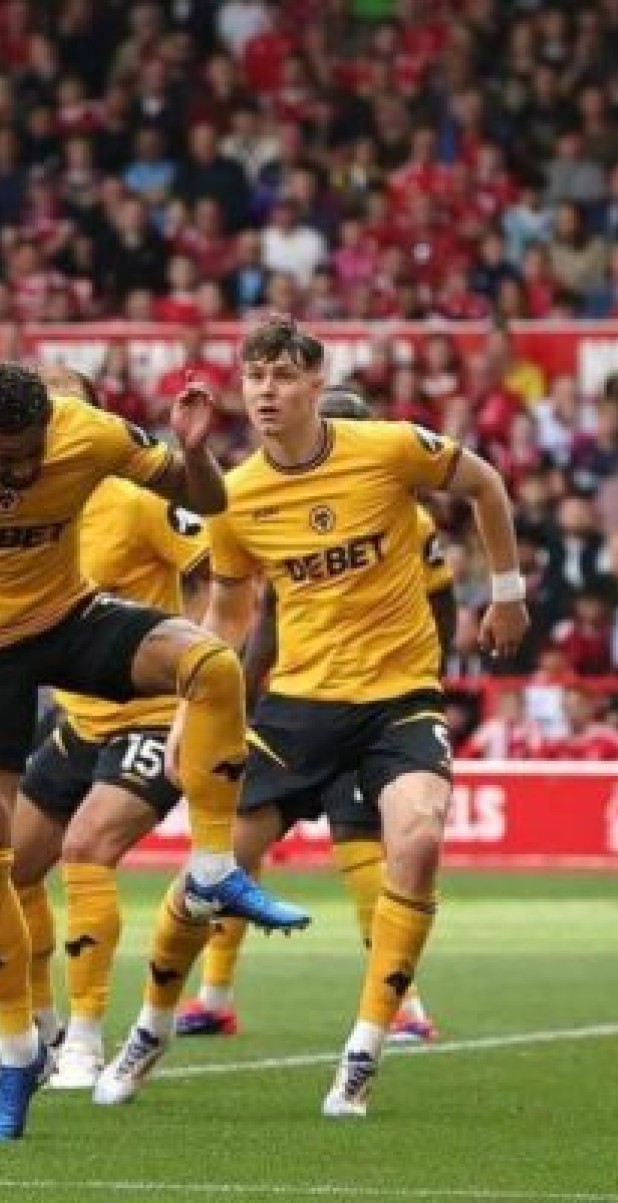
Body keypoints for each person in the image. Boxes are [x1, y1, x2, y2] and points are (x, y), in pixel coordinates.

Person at [0, 359, 308, 1142]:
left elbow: (208, 502)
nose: (19, 467)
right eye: (3, 453)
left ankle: (216, 865)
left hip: (68, 618)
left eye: (30, 450)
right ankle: (23, 1046)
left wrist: (192, 452)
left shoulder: (85, 432)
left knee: (211, 663)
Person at [93, 317, 526, 1119]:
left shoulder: (389, 448)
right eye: (254, 377)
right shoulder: (236, 497)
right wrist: (193, 704)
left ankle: (362, 1052)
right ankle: (150, 1029)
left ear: (316, 380)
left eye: (284, 376)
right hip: (297, 709)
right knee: (212, 875)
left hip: (399, 701)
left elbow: (486, 485)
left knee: (419, 840)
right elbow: (228, 616)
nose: (266, 391)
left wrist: (508, 593)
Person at [0, 366, 213, 1090]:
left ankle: (88, 1036)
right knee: (5, 865)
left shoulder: (132, 498)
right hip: (77, 721)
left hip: (150, 715)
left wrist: (194, 698)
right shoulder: (13, 503)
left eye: (67, 406)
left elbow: (215, 572)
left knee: (88, 845)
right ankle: (34, 1031)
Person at [178, 386, 457, 1045]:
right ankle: (213, 992)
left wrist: (422, 683)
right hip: (303, 704)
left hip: (380, 698)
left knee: (363, 846)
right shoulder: (273, 505)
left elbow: (439, 604)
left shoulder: (407, 522)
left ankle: (404, 1006)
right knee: (241, 845)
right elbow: (263, 616)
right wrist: (239, 700)